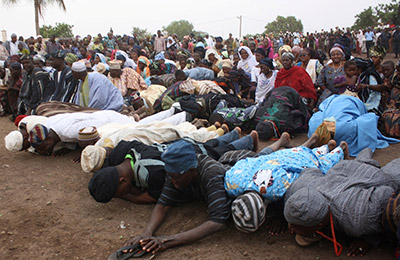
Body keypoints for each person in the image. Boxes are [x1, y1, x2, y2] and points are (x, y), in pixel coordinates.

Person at [114, 139, 236, 256]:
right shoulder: (175, 173)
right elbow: (163, 205)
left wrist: (167, 241)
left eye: (176, 178)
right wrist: (147, 233)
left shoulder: (211, 174)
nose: (172, 182)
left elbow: (217, 223)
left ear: (192, 171)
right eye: (170, 176)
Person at [88, 128, 258, 204]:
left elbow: (148, 198)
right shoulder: (121, 152)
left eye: (117, 195)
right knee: (210, 143)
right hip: (176, 146)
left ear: (123, 180)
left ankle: (249, 139)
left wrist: (128, 196)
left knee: (219, 151)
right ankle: (234, 133)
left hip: (189, 156)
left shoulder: (151, 174)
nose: (119, 197)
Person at [284, 148, 400, 257]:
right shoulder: (297, 190)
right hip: (342, 171)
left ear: (320, 225)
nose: (291, 229)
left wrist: (369, 239)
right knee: (362, 161)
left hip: (370, 176)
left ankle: (367, 161)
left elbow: (386, 193)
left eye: (296, 227)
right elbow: (310, 171)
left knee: (393, 176)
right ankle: (365, 154)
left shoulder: (356, 219)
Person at [227, 134, 348, 233]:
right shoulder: (233, 183)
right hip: (277, 157)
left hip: (290, 162)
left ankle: (339, 150)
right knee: (300, 153)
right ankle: (324, 147)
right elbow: (246, 162)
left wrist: (279, 219)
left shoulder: (276, 190)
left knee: (319, 166)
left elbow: (299, 176)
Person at [308, 94, 399, 156]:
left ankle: (322, 138)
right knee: (369, 118)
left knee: (320, 118)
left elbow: (322, 108)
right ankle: (333, 142)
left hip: (317, 128)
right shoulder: (356, 102)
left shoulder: (332, 100)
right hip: (341, 129)